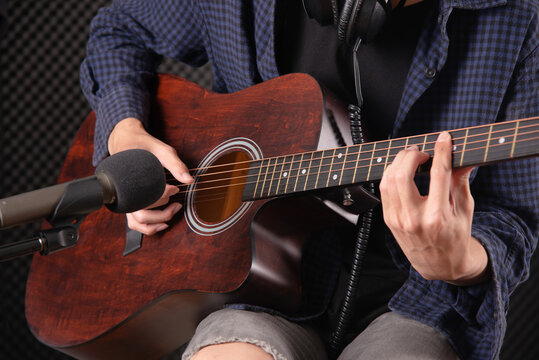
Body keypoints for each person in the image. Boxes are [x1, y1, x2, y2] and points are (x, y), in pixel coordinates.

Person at [79, 0, 538, 359]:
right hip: (257, 287)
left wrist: (461, 262)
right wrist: (126, 131)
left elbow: (514, 220)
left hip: (416, 301)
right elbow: (117, 30)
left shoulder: (519, 19)